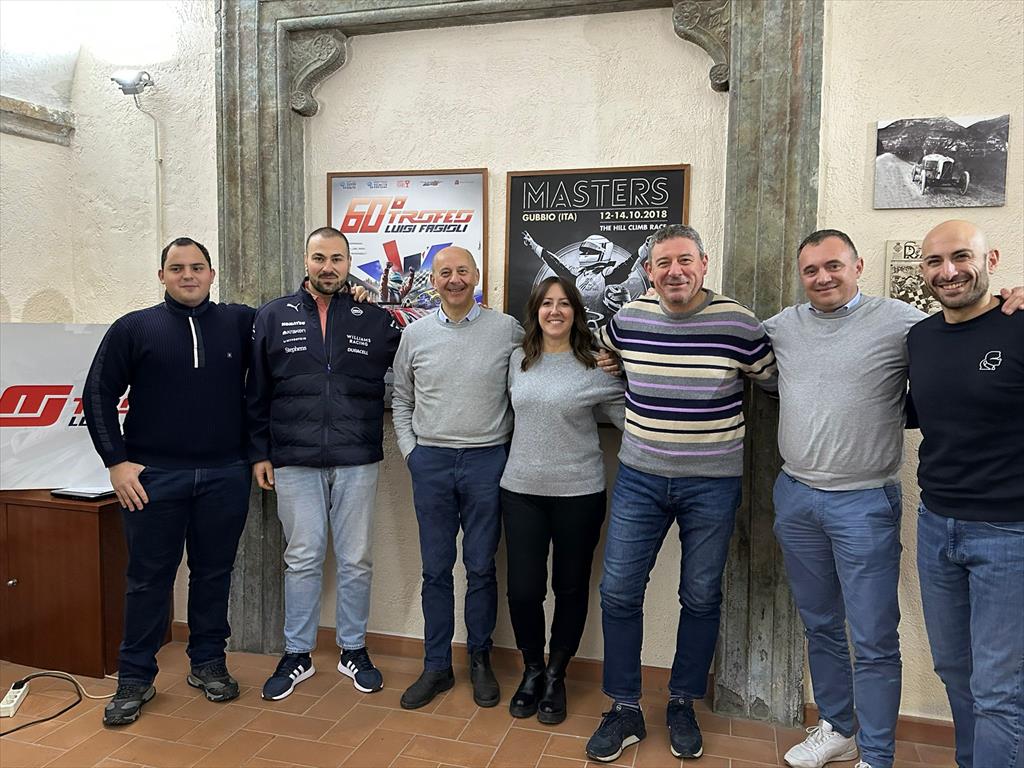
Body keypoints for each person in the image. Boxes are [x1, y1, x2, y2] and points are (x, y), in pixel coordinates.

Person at [585, 224, 778, 762]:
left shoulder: (738, 323)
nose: (675, 272)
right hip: (640, 479)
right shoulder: (628, 319)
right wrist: (610, 361)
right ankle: (625, 707)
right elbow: (605, 351)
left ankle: (681, 703)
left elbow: (772, 380)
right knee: (619, 592)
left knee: (700, 596)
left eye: (685, 260)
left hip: (712, 484)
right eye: (663, 263)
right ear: (648, 270)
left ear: (703, 263)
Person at [765, 230, 924, 768]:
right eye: (810, 270)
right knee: (821, 625)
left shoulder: (899, 321)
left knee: (874, 637)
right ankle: (839, 729)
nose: (823, 277)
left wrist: (1007, 301)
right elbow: (724, 346)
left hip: (864, 503)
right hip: (797, 496)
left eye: (833, 265)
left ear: (857, 266)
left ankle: (876, 756)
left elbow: (961, 335)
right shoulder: (783, 326)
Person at [83, 237, 253, 725]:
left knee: (214, 574)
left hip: (225, 474)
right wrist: (117, 462)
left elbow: (293, 319)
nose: (188, 275)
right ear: (162, 276)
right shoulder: (134, 328)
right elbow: (97, 394)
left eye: (197, 267)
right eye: (177, 268)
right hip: (152, 478)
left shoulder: (240, 323)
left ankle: (208, 662)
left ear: (212, 274)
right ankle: (135, 678)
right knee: (147, 579)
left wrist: (352, 294)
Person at [247, 227, 402, 700]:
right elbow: (256, 392)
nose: (328, 267)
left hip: (356, 457)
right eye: (320, 258)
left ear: (349, 263)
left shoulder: (372, 318)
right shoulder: (273, 316)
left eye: (337, 259)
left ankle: (353, 649)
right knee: (302, 558)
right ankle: (297, 653)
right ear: (306, 260)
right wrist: (259, 452)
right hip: (293, 459)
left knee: (356, 559)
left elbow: (412, 364)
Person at [908, 220, 1023, 768]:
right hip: (936, 525)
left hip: (1009, 533)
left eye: (961, 257)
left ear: (991, 259)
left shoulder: (1019, 325)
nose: (948, 271)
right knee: (955, 669)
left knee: (999, 686)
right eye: (934, 261)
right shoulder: (921, 337)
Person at [391, 246, 524, 710]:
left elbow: (539, 369)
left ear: (477, 275)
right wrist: (411, 453)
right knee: (435, 570)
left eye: (462, 271)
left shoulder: (507, 329)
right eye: (444, 272)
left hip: (488, 461)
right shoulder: (415, 335)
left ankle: (480, 661)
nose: (454, 279)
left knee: (482, 567)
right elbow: (401, 399)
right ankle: (436, 666)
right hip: (431, 462)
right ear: (433, 281)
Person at [500, 276, 624, 725]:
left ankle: (556, 675)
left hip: (579, 494)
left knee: (570, 588)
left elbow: (631, 421)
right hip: (521, 492)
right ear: (535, 311)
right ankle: (532, 669)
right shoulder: (517, 360)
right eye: (547, 303)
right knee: (524, 590)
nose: (555, 311)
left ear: (576, 311)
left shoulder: (596, 364)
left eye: (564, 304)